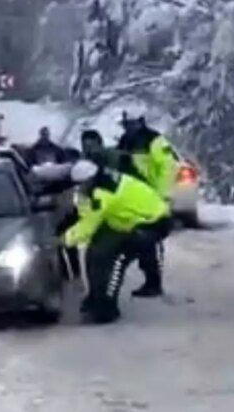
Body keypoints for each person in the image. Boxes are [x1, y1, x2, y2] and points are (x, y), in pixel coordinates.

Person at [62, 160, 172, 324]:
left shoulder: (103, 193)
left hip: (152, 223)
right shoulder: (102, 180)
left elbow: (89, 225)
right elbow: (89, 214)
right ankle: (96, 297)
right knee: (95, 251)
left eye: (80, 185)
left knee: (117, 260)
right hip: (126, 219)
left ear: (89, 180)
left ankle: (107, 309)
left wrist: (63, 240)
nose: (78, 189)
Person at [80, 129, 169, 298]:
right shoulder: (85, 164)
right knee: (100, 253)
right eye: (86, 146)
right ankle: (99, 294)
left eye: (92, 145)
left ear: (100, 144)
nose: (90, 149)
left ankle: (152, 282)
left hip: (132, 208)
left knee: (143, 248)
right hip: (110, 211)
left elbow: (134, 180)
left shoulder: (117, 159)